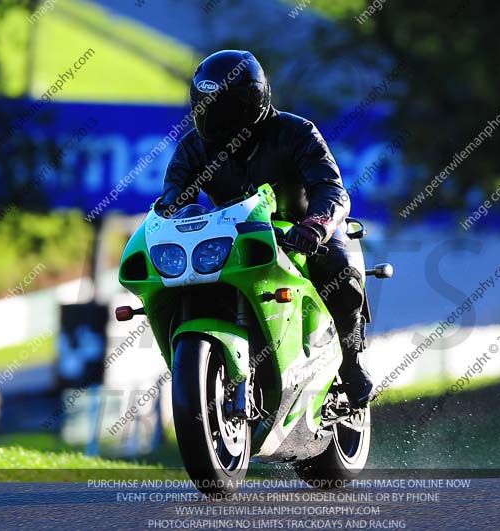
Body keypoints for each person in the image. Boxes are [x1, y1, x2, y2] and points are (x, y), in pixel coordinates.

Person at [158, 49, 373, 406]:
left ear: (253, 103)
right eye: (206, 107)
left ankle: (351, 364)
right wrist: (170, 218)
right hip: (234, 233)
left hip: (301, 229)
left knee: (343, 271)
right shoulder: (193, 147)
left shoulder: (297, 132)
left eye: (225, 109)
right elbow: (172, 197)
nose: (214, 118)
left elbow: (332, 189)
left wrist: (316, 225)